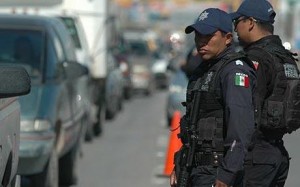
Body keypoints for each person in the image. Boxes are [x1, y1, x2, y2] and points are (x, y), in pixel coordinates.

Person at [170, 8, 256, 187]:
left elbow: (240, 129)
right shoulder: (203, 70)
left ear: (227, 38)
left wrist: (226, 175)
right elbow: (194, 126)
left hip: (217, 172)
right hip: (197, 170)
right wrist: (180, 165)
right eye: (198, 36)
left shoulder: (234, 71)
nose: (201, 41)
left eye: (208, 36)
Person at [231, 0, 297, 186]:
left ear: (250, 23)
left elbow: (245, 110)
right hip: (277, 153)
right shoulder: (286, 58)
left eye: (238, 21)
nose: (235, 28)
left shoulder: (255, 59)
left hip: (255, 154)